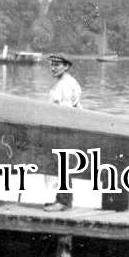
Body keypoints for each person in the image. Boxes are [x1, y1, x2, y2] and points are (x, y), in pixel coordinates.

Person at [45, 54, 81, 211]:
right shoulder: (63, 82)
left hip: (65, 128)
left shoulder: (66, 84)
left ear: (66, 66)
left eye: (57, 64)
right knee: (61, 164)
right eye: (52, 64)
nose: (53, 67)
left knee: (63, 163)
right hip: (63, 127)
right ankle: (63, 200)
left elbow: (66, 111)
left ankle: (63, 201)